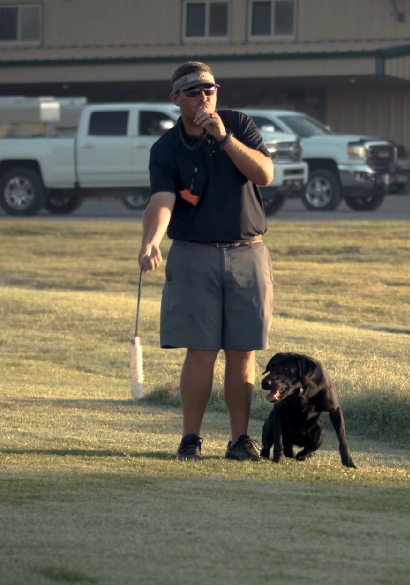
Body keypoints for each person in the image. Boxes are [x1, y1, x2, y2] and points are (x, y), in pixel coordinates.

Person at [138, 61, 275, 461]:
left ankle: (239, 441)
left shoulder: (238, 124)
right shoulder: (166, 147)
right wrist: (151, 242)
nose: (204, 98)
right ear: (176, 98)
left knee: (243, 350)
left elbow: (264, 173)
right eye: (195, 92)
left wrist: (225, 138)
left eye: (210, 90)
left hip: (247, 250)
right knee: (200, 350)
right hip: (194, 252)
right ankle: (190, 439)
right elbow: (162, 200)